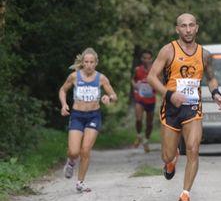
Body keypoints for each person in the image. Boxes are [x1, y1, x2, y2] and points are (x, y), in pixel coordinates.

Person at [147, 13, 221, 201]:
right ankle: (170, 161)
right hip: (171, 108)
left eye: (191, 25)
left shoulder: (204, 54)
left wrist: (216, 92)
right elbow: (151, 77)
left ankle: (185, 194)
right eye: (184, 26)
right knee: (166, 155)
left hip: (193, 108)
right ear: (177, 29)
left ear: (197, 28)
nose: (188, 29)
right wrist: (169, 94)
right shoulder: (168, 50)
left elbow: (211, 78)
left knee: (193, 149)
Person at [59, 47, 117, 192]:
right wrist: (64, 104)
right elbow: (63, 90)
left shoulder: (101, 78)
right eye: (86, 62)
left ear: (96, 63)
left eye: (92, 62)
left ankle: (80, 182)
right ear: (83, 63)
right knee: (74, 151)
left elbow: (114, 96)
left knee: (85, 150)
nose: (89, 65)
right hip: (77, 116)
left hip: (93, 116)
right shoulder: (74, 77)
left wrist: (108, 98)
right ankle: (71, 162)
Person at [131, 50, 156, 153]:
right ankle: (139, 135)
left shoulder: (155, 70)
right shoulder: (137, 70)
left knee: (149, 123)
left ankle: (146, 141)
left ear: (151, 59)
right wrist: (135, 85)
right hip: (139, 98)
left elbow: (160, 81)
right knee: (138, 119)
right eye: (144, 58)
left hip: (151, 99)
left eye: (148, 58)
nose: (146, 60)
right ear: (141, 59)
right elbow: (132, 79)